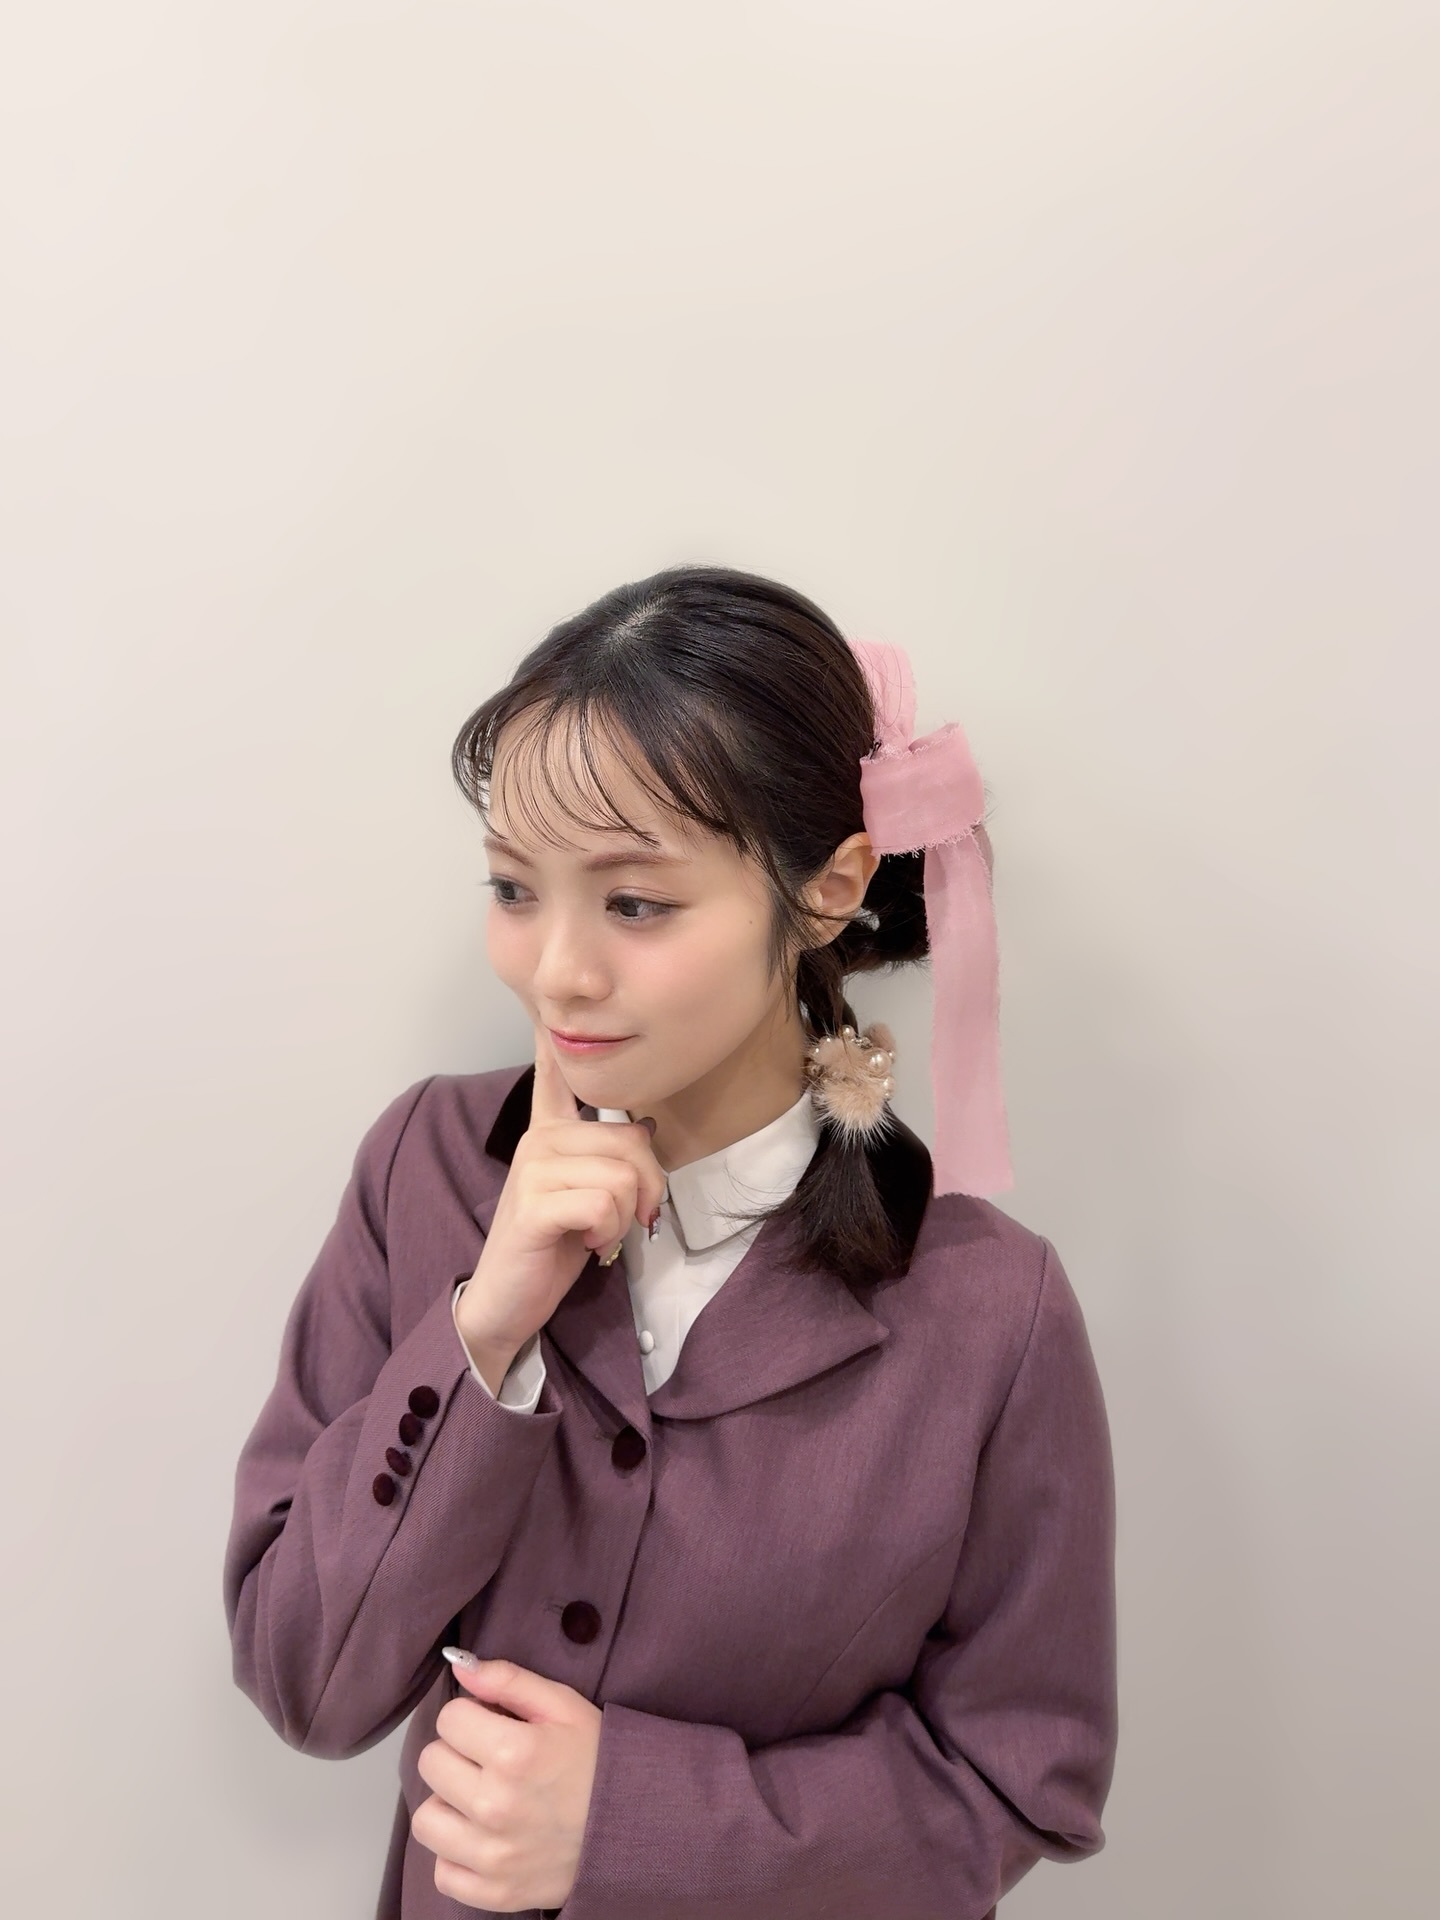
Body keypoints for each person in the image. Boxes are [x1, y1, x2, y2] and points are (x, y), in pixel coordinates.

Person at [223, 564, 1118, 1920]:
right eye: (514, 888)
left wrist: (631, 1826)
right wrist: (483, 1327)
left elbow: (1020, 1784)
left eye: (635, 904)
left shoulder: (991, 1312)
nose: (558, 971)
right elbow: (305, 1678)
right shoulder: (425, 1170)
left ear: (828, 889)